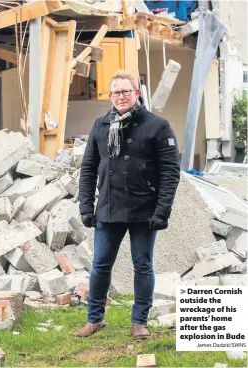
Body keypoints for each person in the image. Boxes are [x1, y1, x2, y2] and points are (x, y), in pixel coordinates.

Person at [75, 70, 180, 338]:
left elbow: (170, 172)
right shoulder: (100, 126)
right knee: (100, 266)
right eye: (115, 92)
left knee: (142, 265)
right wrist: (86, 206)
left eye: (125, 91)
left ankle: (139, 322)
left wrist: (162, 211)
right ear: (110, 96)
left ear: (137, 93)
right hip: (109, 209)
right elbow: (88, 169)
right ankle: (94, 319)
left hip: (144, 211)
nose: (120, 97)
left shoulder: (158, 126)